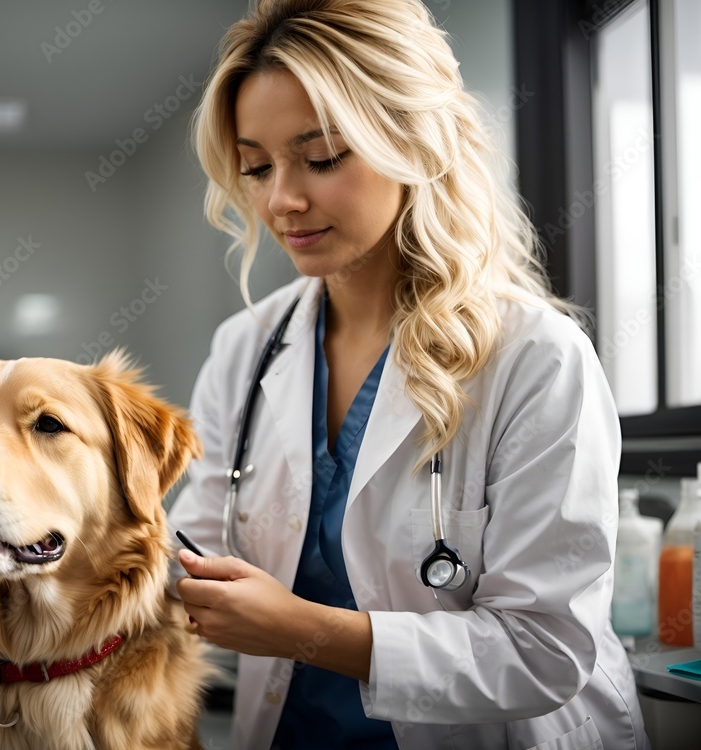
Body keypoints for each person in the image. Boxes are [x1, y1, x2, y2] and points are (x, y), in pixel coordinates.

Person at [167, 1, 651, 748]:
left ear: (413, 145)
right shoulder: (246, 348)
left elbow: (544, 651)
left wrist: (306, 630)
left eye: (322, 157)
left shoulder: (534, 359)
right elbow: (191, 553)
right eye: (257, 166)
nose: (279, 200)